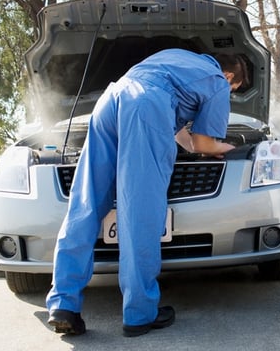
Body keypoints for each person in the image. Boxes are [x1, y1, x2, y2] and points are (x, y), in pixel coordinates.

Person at [46, 48, 247, 337]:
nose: (228, 92)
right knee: (139, 211)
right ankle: (139, 314)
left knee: (86, 202)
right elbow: (205, 143)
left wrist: (188, 144)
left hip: (110, 100)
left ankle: (63, 304)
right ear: (229, 76)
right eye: (233, 89)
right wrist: (225, 148)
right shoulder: (217, 80)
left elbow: (179, 127)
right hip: (145, 109)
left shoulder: (175, 57)